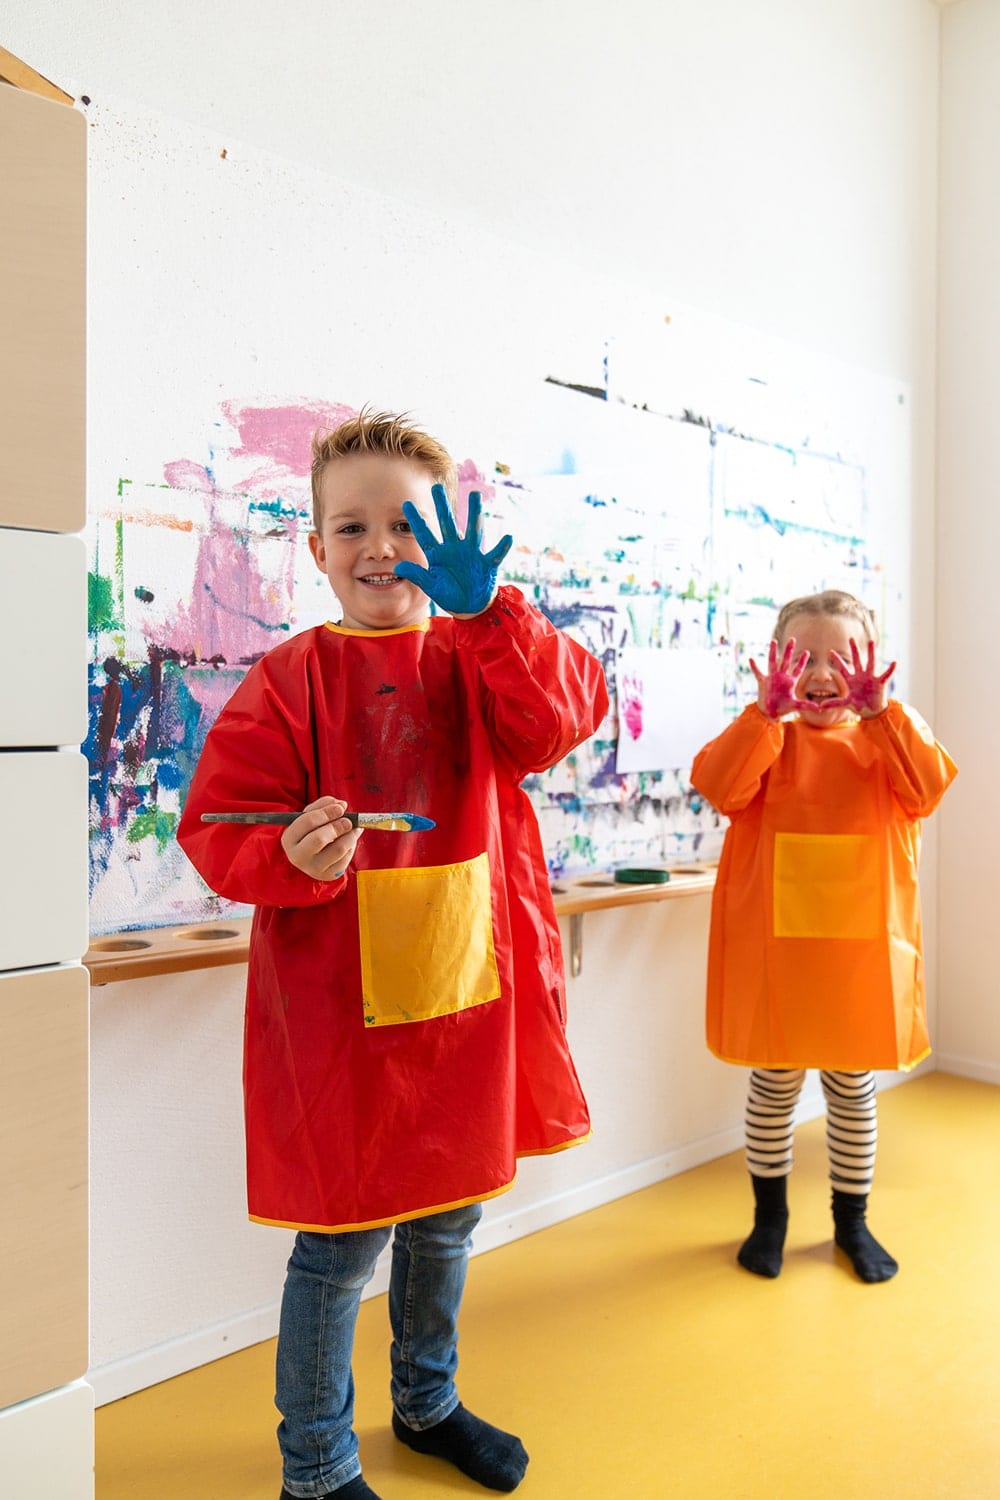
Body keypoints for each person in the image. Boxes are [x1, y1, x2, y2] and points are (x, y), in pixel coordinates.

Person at [177, 410, 608, 1500]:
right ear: (315, 548)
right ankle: (315, 1466)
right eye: (352, 526)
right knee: (336, 1247)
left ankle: (426, 1405)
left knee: (447, 1219)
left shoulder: (480, 656)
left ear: (454, 539)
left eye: (408, 526)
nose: (381, 547)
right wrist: (286, 849)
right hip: (335, 1018)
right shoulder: (286, 681)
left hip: (468, 997)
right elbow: (216, 831)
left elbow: (558, 719)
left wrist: (496, 615)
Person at [689, 589, 956, 1284]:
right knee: (774, 1085)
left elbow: (928, 789)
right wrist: (763, 715)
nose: (820, 670)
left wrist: (883, 714)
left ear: (867, 660)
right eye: (801, 655)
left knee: (851, 1085)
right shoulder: (765, 735)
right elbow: (719, 786)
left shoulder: (887, 734)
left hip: (860, 952)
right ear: (778, 661)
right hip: (777, 950)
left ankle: (851, 1221)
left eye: (839, 654)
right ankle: (769, 1219)